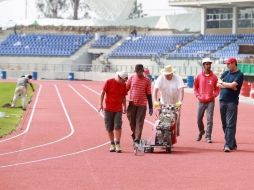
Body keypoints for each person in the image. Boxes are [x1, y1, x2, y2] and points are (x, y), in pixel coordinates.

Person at [217, 57, 244, 152]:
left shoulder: (239, 74)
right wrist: (229, 85)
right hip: (222, 100)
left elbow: (233, 85)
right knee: (224, 124)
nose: (227, 65)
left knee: (230, 124)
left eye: (229, 64)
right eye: (227, 64)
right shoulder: (225, 73)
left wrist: (225, 84)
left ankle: (227, 145)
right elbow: (218, 83)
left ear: (234, 63)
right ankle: (233, 143)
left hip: (232, 102)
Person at [99, 71, 128, 153]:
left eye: (125, 81)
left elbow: (123, 96)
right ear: (118, 77)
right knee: (109, 127)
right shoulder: (109, 82)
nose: (124, 82)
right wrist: (100, 104)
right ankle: (112, 144)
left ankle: (118, 143)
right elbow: (102, 93)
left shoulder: (123, 85)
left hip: (118, 109)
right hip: (108, 109)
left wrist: (124, 107)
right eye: (123, 80)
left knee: (118, 126)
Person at [153, 64, 185, 139]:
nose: (167, 76)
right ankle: (163, 138)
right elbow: (155, 91)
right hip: (164, 103)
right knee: (163, 121)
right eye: (166, 75)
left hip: (175, 103)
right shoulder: (160, 78)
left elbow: (181, 91)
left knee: (174, 121)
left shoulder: (178, 78)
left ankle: (172, 137)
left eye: (168, 75)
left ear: (172, 73)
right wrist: (155, 102)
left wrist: (180, 101)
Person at [194, 58, 220, 143]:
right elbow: (195, 87)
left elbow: (217, 88)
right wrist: (198, 96)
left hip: (210, 101)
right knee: (198, 119)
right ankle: (201, 131)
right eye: (206, 64)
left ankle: (208, 136)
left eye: (209, 64)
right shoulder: (198, 76)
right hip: (201, 101)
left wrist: (214, 96)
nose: (208, 65)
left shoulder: (214, 77)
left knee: (209, 119)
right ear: (203, 65)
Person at [126, 64, 153, 147]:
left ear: (142, 71)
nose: (138, 73)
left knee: (139, 122)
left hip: (142, 105)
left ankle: (137, 140)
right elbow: (126, 89)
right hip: (132, 104)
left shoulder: (147, 80)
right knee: (132, 122)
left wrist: (151, 107)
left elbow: (149, 94)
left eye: (140, 72)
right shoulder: (131, 78)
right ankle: (135, 136)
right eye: (137, 72)